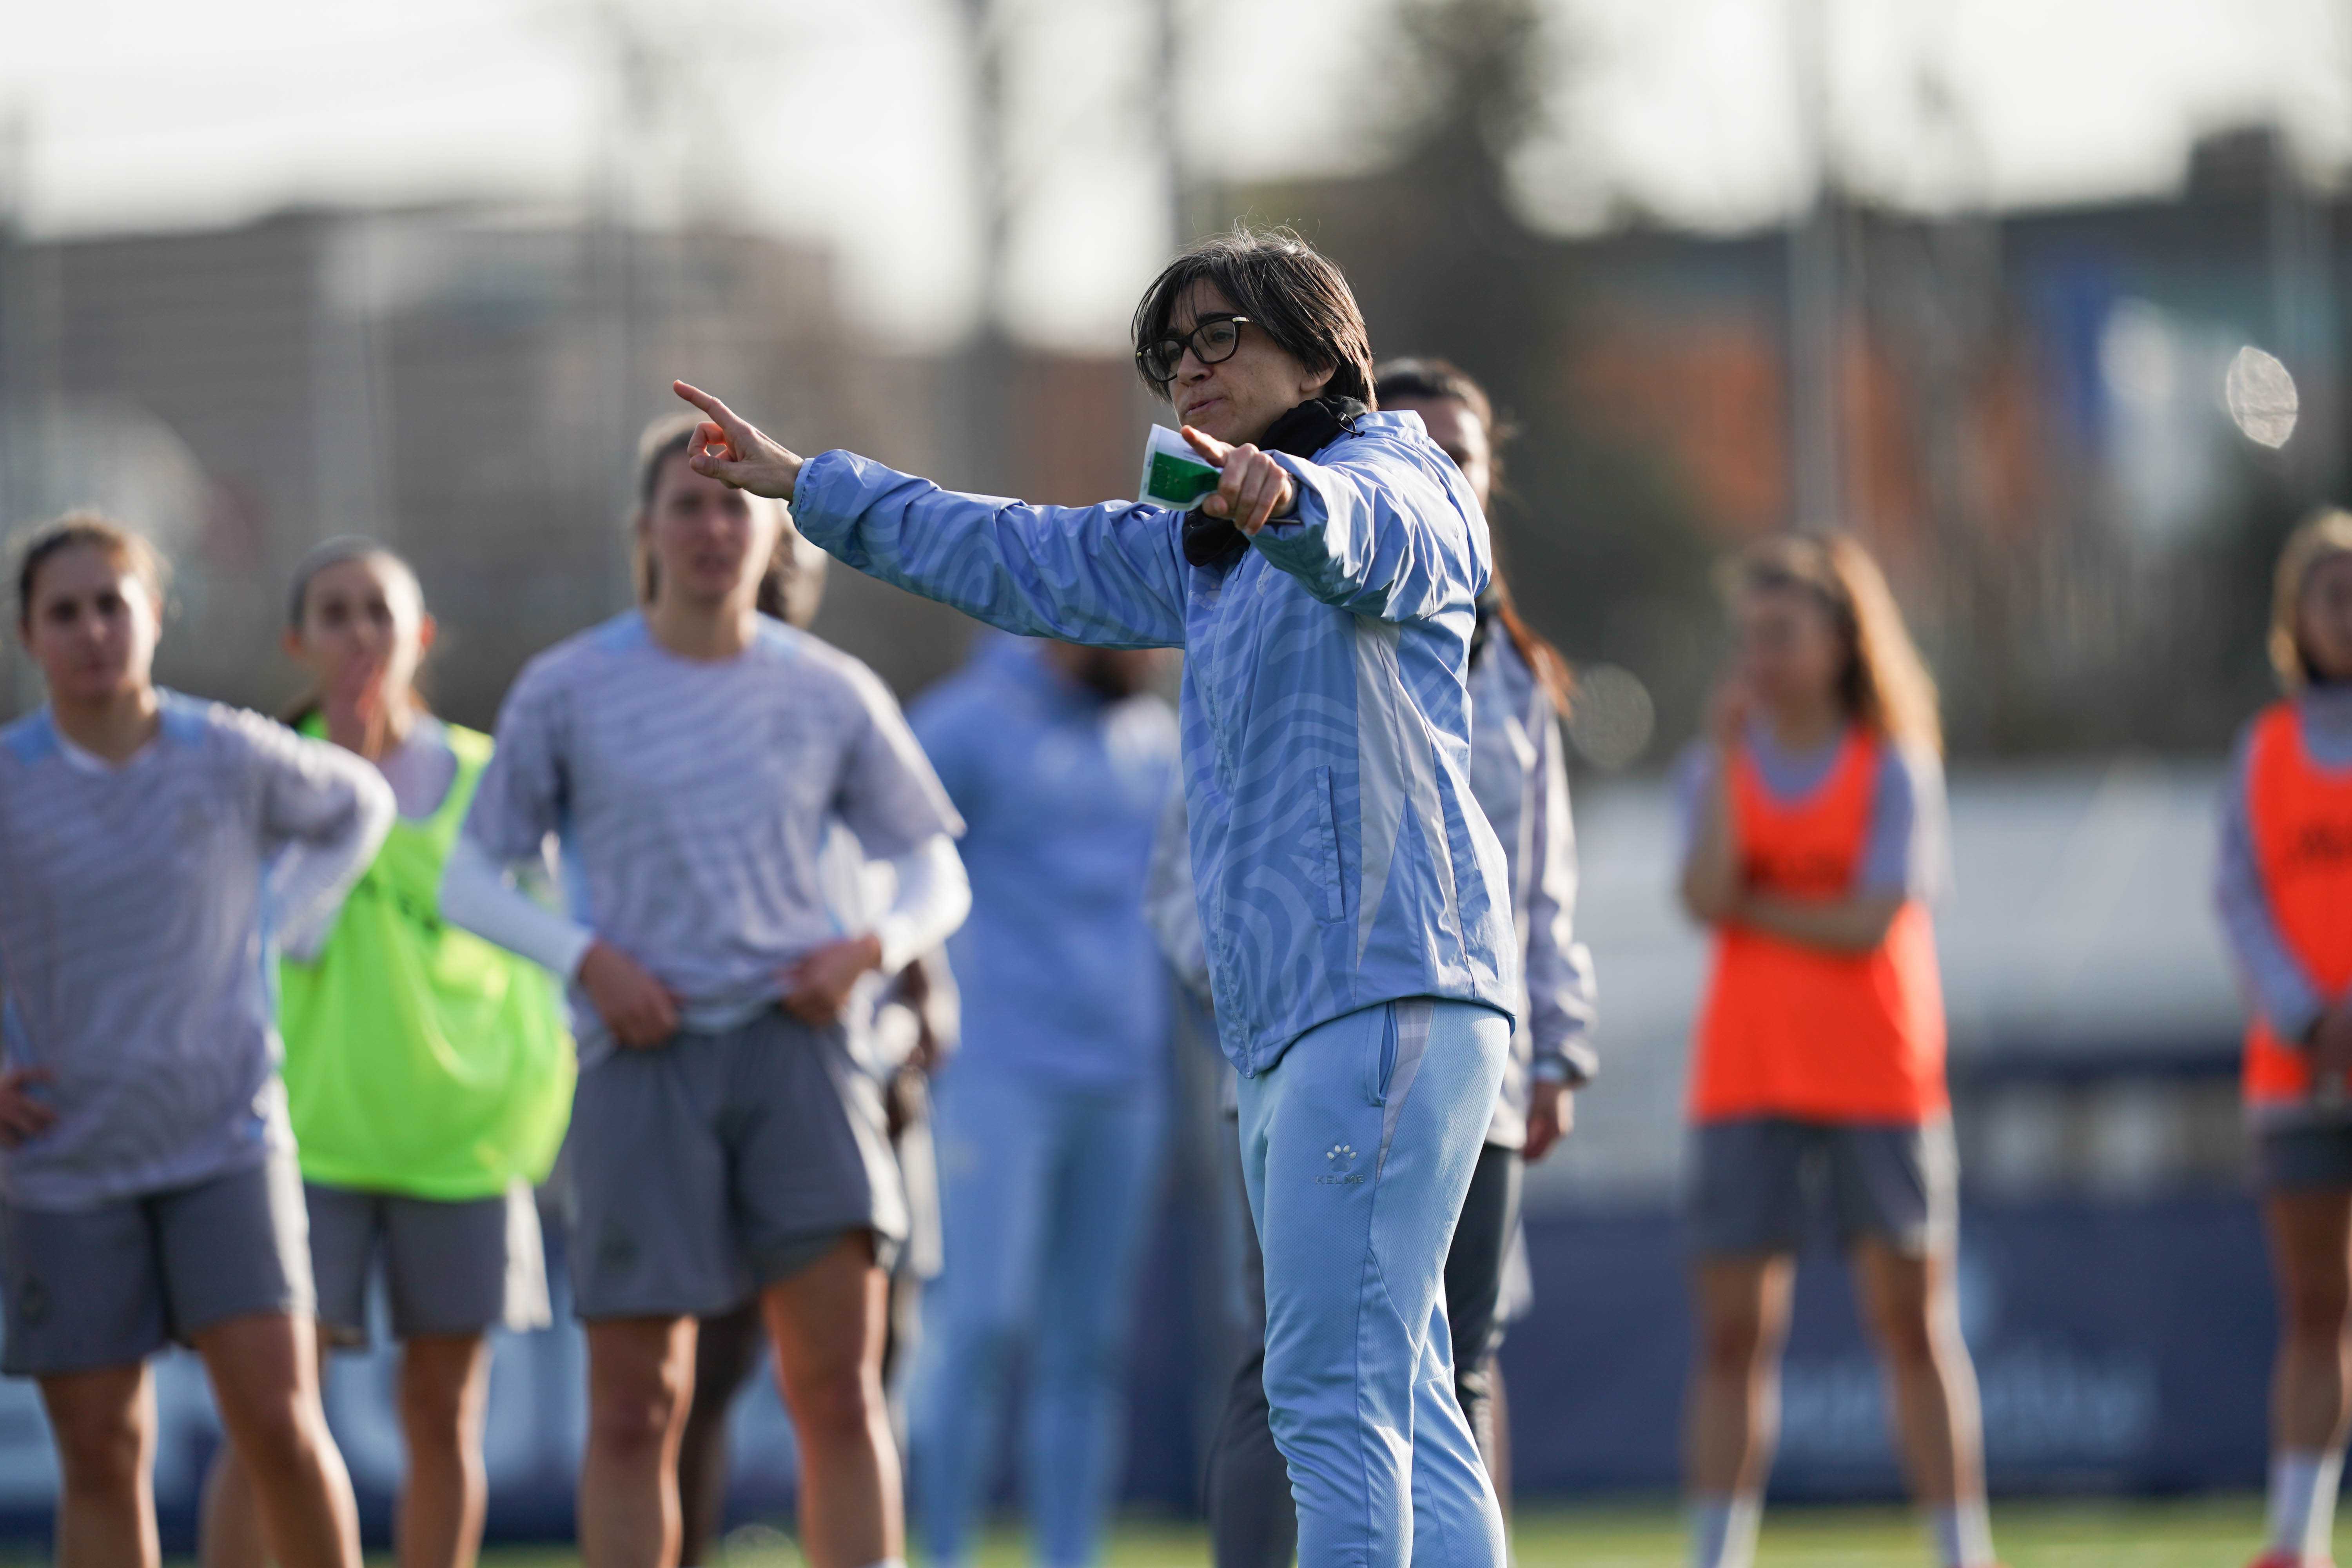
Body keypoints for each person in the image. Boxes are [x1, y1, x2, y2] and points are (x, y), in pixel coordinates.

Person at [672, 222, 1522, 1568]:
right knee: (1400, 1387)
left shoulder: (1393, 473)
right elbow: (1008, 552)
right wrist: (802, 485)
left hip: (1381, 995)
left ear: (1326, 347)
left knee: (1334, 1397)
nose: (1186, 367)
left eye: (1218, 336)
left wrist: (1291, 505)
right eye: (1168, 350)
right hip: (1322, 1020)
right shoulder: (1207, 549)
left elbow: (1379, 540)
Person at [440, 416, 971, 1568]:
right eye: (688, 503)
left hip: (805, 1050)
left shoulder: (828, 691)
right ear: (646, 532)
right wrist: (585, 958)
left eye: (737, 504)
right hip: (642, 1055)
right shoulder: (568, 688)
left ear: (773, 533)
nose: (714, 526)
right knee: (637, 1409)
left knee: (837, 1393)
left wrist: (866, 950)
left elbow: (938, 869)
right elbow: (470, 879)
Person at [1197, 358, 1599, 1568]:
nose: (1435, 470)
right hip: (1307, 1028)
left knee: (1434, 1374)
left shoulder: (1517, 672)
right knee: (1316, 1375)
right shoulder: (1281, 601)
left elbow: (1540, 878)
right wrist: (1262, 965)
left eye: (1462, 454)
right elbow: (1200, 855)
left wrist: (1561, 1044)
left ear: (1483, 479)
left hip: (1466, 1047)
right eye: (1413, 443)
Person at [0, 514, 393, 1568]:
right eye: (65, 612)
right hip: (66, 1164)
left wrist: (283, 920)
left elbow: (361, 803)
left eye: (112, 605)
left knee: (279, 1426)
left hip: (227, 1143)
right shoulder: (12, 780)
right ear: (30, 636)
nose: (92, 631)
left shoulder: (223, 751)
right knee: (101, 1449)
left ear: (156, 616)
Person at [199, 539, 575, 1568]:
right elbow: (273, 939)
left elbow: (551, 939)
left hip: (462, 1141)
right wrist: (345, 786)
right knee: (271, 1419)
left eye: (379, 611)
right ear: (297, 639)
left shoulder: (489, 777)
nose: (359, 633)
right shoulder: (262, 775)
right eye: (334, 612)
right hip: (299, 1141)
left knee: (445, 1415)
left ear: (421, 636)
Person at [1674, 535, 1992, 1568]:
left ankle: (1959, 1548)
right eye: (1749, 638)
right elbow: (1704, 896)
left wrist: (1759, 909)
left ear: (1842, 644)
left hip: (1879, 1074)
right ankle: (1718, 1552)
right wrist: (1729, 767)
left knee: (1913, 1326)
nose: (1759, 658)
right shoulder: (1715, 762)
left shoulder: (1894, 762)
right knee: (1733, 1339)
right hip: (1746, 1073)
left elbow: (1870, 922)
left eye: (1782, 635)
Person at [669, 523, 961, 1568]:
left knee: (867, 1369)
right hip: (734, 1078)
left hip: (866, 1095)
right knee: (704, 1365)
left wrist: (910, 1023)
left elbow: (922, 915)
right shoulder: (669, 715)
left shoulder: (846, 707)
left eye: (791, 552)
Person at [903, 635, 1180, 1568]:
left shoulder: (1156, 739)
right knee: (979, 1326)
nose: (1153, 647)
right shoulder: (966, 722)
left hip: (1127, 1079)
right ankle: (941, 1552)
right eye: (1132, 626)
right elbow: (880, 858)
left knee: (1087, 1348)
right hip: (997, 1073)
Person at [2219, 509, 2352, 1568]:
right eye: (2332, 593)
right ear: (2295, 618)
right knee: (2316, 1308)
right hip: (2299, 1070)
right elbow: (2240, 898)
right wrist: (2311, 1013)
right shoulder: (2262, 753)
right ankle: (2297, 1538)